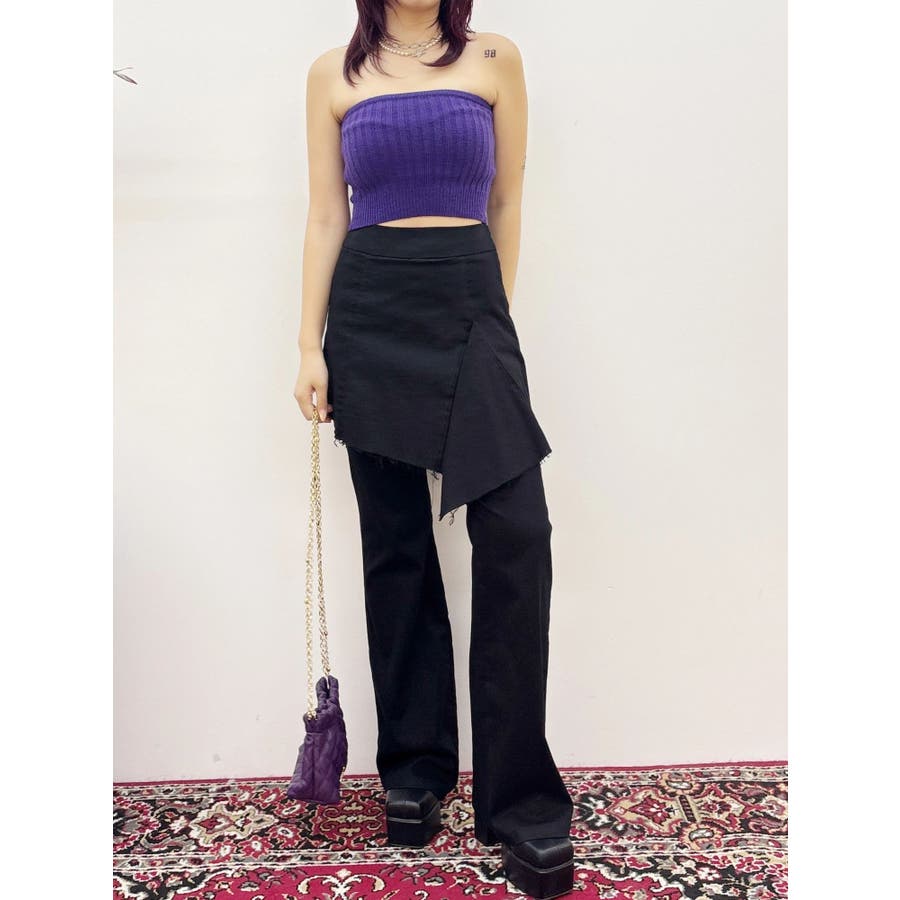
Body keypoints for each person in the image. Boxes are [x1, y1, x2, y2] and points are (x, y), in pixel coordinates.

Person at [293, 3, 574, 897]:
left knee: (518, 536)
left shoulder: (494, 58)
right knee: (397, 546)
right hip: (370, 311)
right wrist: (308, 346)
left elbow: (507, 200)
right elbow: (325, 215)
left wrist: (493, 317)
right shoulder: (333, 73)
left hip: (469, 304)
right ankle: (414, 770)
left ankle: (519, 798)